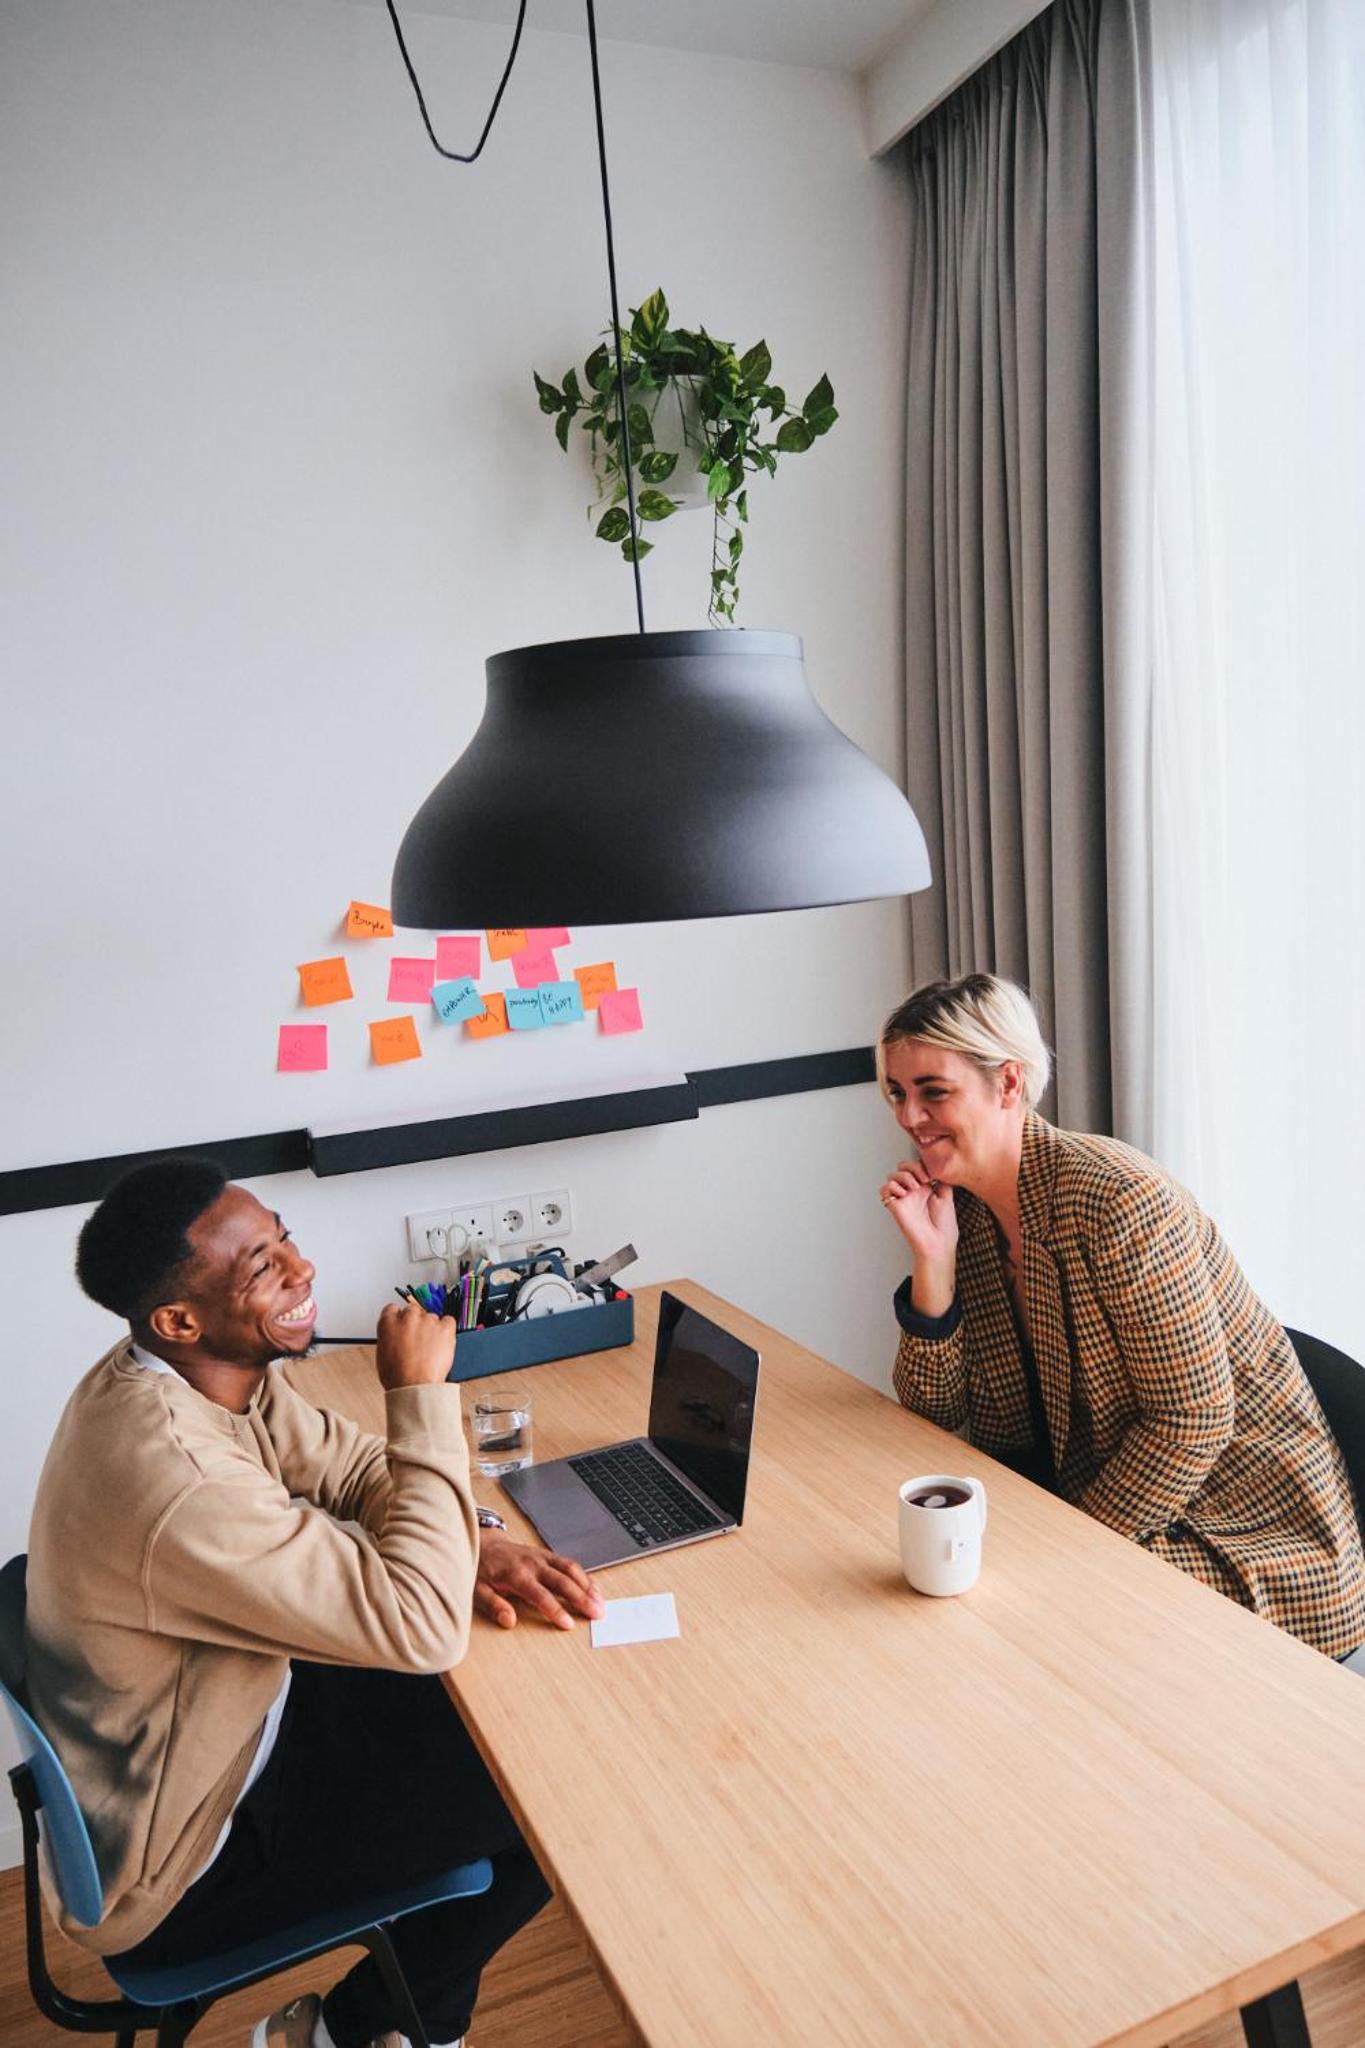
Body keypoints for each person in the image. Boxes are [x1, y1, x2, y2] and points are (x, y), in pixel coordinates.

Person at [25, 1156, 605, 2048]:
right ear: (179, 1318)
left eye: (283, 1240)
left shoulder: (200, 1372)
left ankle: (396, 2029)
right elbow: (417, 1627)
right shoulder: (176, 1476)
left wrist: (478, 1543)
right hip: (185, 1859)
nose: (302, 1272)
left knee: (523, 1718)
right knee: (552, 1796)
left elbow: (356, 1469)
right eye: (261, 1267)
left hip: (237, 1728)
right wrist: (420, 1394)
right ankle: (359, 2032)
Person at [877, 973, 1365, 1661]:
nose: (908, 1116)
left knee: (996, 1638)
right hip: (1110, 1508)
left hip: (1251, 1534)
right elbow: (937, 1410)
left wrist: (1062, 1549)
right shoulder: (967, 1211)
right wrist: (932, 1261)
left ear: (1007, 1084)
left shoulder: (1118, 1201)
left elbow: (1192, 1422)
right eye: (897, 1092)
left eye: (933, 1090)